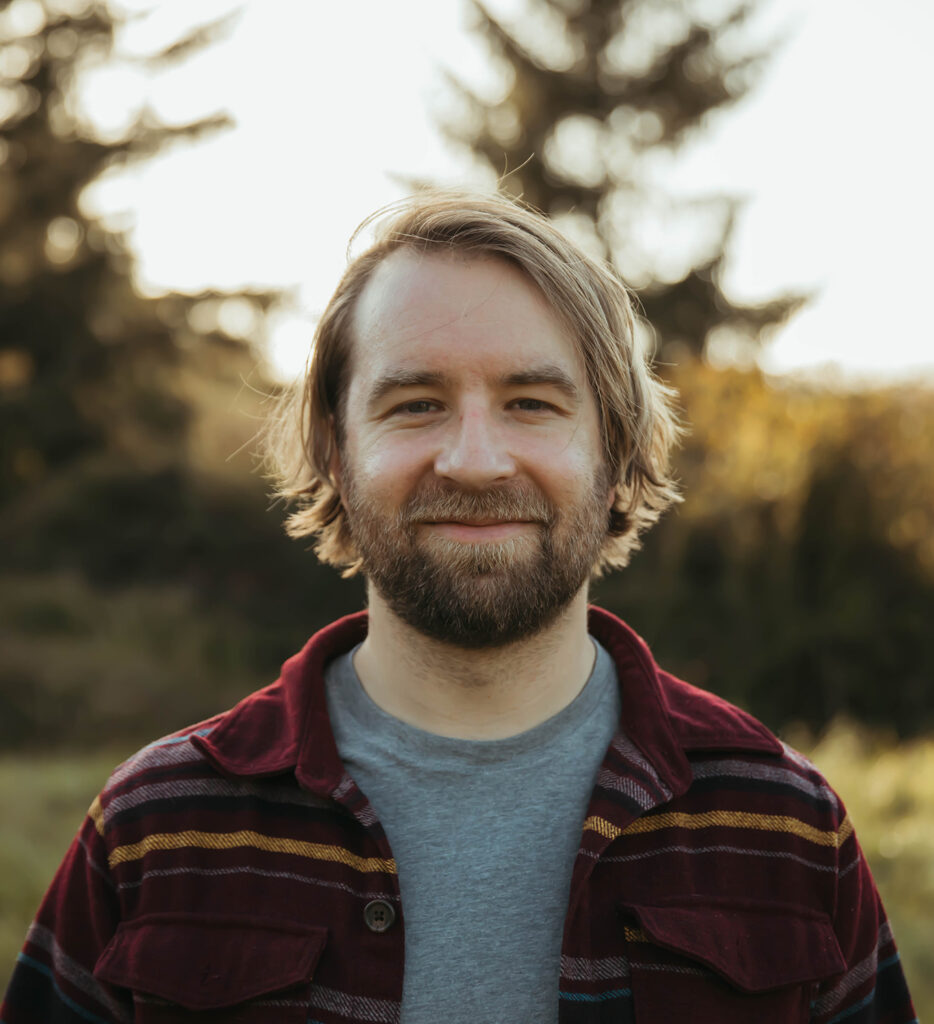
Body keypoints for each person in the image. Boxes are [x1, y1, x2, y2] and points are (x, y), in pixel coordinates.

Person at [2, 191, 916, 1024]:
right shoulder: (156, 832)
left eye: (531, 402)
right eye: (414, 404)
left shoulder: (786, 830)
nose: (475, 461)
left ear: (616, 450)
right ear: (333, 446)